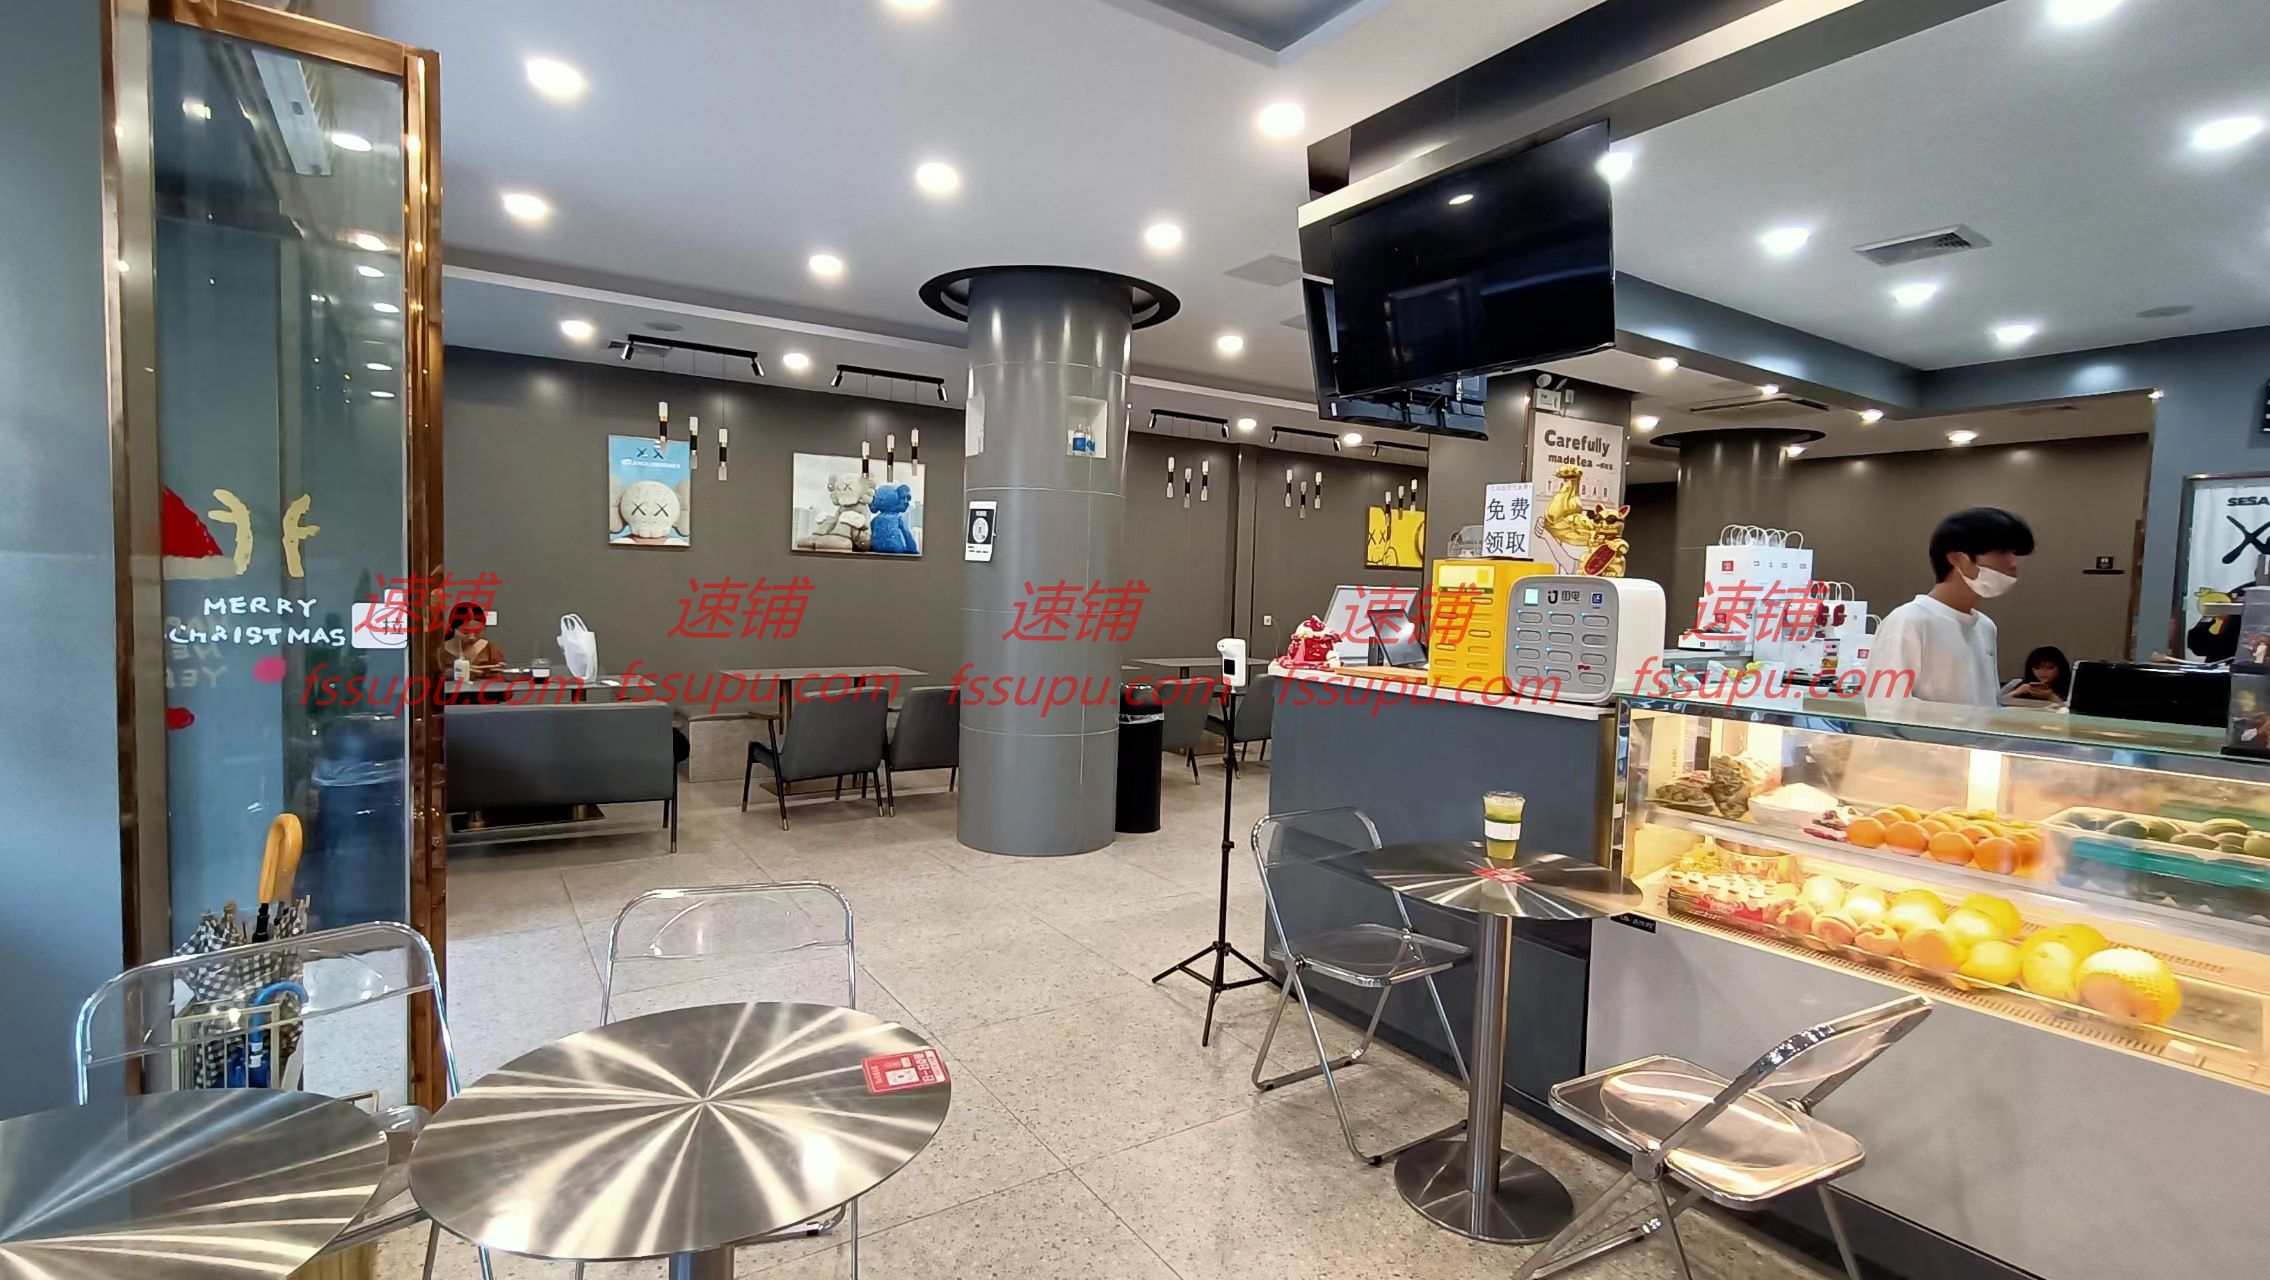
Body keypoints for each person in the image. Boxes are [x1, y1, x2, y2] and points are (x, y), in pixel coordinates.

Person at [1865, 507, 2034, 706]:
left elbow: (1985, 704)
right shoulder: (1908, 621)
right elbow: (1885, 707)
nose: (2012, 564)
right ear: (1958, 559)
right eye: (2002, 552)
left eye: (2014, 553)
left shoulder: (1986, 628)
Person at [438, 602, 505, 677]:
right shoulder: (439, 652)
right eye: (465, 632)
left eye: (478, 632)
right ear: (452, 629)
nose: (472, 637)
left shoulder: (491, 650)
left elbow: (499, 676)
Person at [2002, 645, 2071, 705]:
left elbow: (2069, 711)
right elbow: (2001, 704)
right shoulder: (2023, 684)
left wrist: (2051, 696)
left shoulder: (2071, 688)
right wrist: (2017, 692)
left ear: (2061, 668)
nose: (2043, 672)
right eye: (2037, 668)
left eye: (2050, 667)